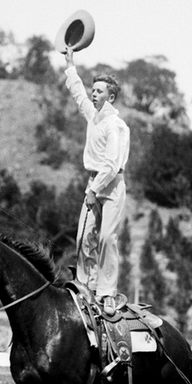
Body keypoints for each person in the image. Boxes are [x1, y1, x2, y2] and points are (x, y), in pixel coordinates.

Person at [64, 48, 130, 316]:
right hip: (93, 182)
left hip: (111, 185)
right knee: (84, 236)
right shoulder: (94, 116)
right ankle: (86, 286)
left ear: (111, 96)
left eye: (100, 91)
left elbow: (112, 164)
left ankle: (107, 293)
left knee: (105, 238)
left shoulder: (116, 125)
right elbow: (78, 93)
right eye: (94, 90)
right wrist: (70, 64)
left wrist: (94, 190)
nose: (94, 93)